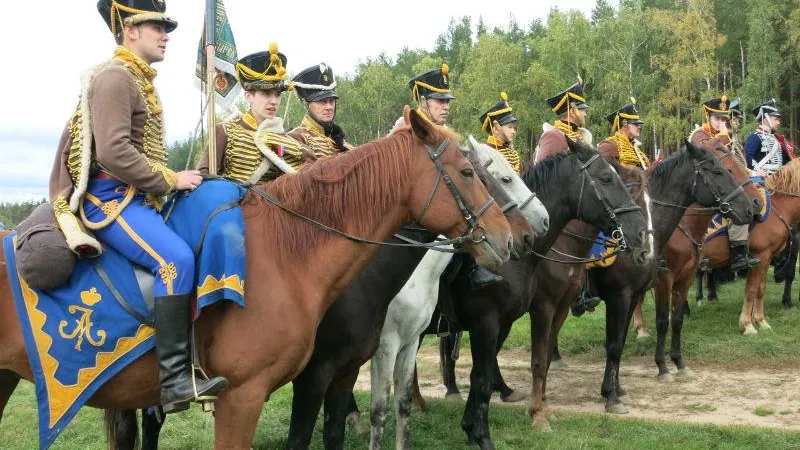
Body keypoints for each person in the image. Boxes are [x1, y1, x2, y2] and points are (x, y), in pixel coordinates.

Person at [48, 0, 229, 414]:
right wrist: (170, 178)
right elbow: (113, 151)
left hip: (135, 198)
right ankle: (174, 382)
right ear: (129, 30)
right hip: (109, 201)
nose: (166, 35)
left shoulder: (135, 77)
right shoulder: (116, 77)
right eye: (156, 26)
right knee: (176, 260)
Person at [198, 44, 312, 183]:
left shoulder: (287, 140)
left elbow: (314, 171)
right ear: (248, 96)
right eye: (266, 94)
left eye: (277, 95)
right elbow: (203, 178)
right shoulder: (224, 131)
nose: (274, 101)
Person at [288, 62, 353, 158]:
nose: (329, 107)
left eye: (331, 101)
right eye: (322, 101)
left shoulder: (343, 144)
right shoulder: (295, 139)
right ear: (306, 103)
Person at [533, 79, 592, 164]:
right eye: (583, 110)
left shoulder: (580, 136)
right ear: (572, 112)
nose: (585, 114)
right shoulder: (553, 136)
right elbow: (542, 173)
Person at [392, 63, 454, 131]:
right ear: (423, 102)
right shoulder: (404, 128)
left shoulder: (446, 133)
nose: (446, 107)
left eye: (447, 101)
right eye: (440, 101)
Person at [597, 100, 648, 169]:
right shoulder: (609, 145)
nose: (639, 127)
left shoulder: (635, 148)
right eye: (636, 124)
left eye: (639, 124)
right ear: (624, 124)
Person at [479, 92, 521, 173]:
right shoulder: (486, 154)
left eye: (513, 128)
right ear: (496, 129)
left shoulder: (513, 154)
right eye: (510, 127)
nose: (513, 131)